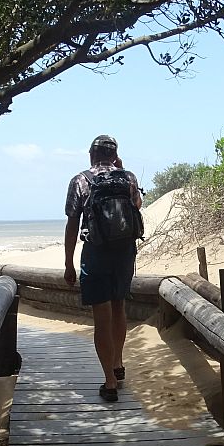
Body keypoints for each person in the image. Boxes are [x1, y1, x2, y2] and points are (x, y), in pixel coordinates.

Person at [64, 135, 142, 402]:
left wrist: (68, 262)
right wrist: (121, 169)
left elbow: (72, 222)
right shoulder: (128, 177)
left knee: (101, 316)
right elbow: (138, 206)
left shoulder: (81, 180)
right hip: (124, 251)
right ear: (114, 154)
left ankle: (109, 381)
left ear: (91, 154)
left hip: (96, 252)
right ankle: (118, 362)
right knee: (119, 306)